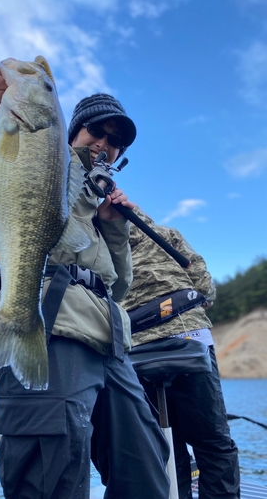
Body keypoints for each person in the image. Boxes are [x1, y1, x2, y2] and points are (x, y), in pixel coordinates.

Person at [0, 60, 170, 499]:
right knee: (50, 478)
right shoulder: (57, 162)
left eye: (115, 141)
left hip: (110, 346)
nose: (104, 144)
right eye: (95, 131)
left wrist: (114, 225)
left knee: (149, 473)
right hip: (54, 328)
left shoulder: (104, 203)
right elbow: (30, 161)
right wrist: (3, 112)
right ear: (71, 132)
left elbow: (119, 288)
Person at [118, 205, 241, 499]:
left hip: (136, 351)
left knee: (165, 446)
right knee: (213, 442)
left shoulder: (103, 244)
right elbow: (205, 288)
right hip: (189, 337)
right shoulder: (168, 235)